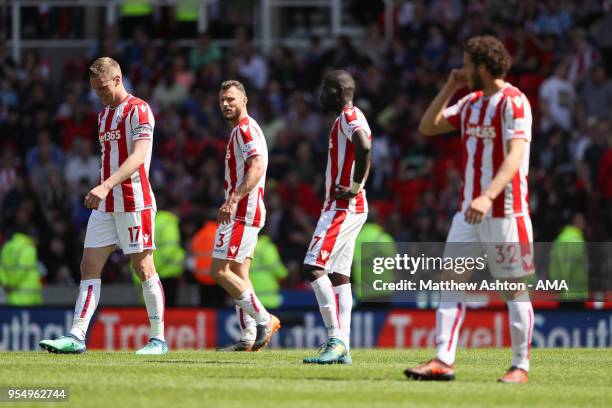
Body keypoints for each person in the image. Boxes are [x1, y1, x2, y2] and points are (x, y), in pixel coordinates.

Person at [404, 36, 534, 383]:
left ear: (482, 67)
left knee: (513, 288)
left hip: (504, 211)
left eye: (466, 64)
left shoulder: (514, 103)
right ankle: (443, 360)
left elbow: (516, 155)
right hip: (468, 212)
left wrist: (488, 196)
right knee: (450, 280)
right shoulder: (470, 103)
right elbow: (427, 126)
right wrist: (448, 88)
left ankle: (520, 366)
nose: (462, 70)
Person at [39, 57, 167, 355]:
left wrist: (105, 184)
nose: (99, 94)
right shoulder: (103, 116)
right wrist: (104, 189)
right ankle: (77, 336)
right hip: (106, 204)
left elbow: (138, 157)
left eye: (103, 88)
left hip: (135, 201)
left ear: (118, 78)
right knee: (88, 266)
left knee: (143, 267)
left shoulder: (140, 109)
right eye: (95, 90)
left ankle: (158, 339)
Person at [302, 70, 372, 364]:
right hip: (349, 205)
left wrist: (354, 188)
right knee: (340, 277)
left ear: (335, 92)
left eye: (323, 90)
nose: (319, 95)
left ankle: (335, 339)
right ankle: (343, 345)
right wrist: (360, 187)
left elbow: (364, 147)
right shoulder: (355, 116)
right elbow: (366, 149)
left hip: (343, 207)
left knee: (313, 267)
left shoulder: (348, 116)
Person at [211, 80, 280, 352]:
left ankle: (265, 319)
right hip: (249, 210)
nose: (226, 104)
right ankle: (249, 337)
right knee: (239, 272)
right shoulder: (248, 129)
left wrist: (234, 199)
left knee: (219, 270)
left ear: (244, 100)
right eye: (222, 100)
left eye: (231, 99)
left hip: (242, 212)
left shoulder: (244, 130)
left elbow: (258, 165)